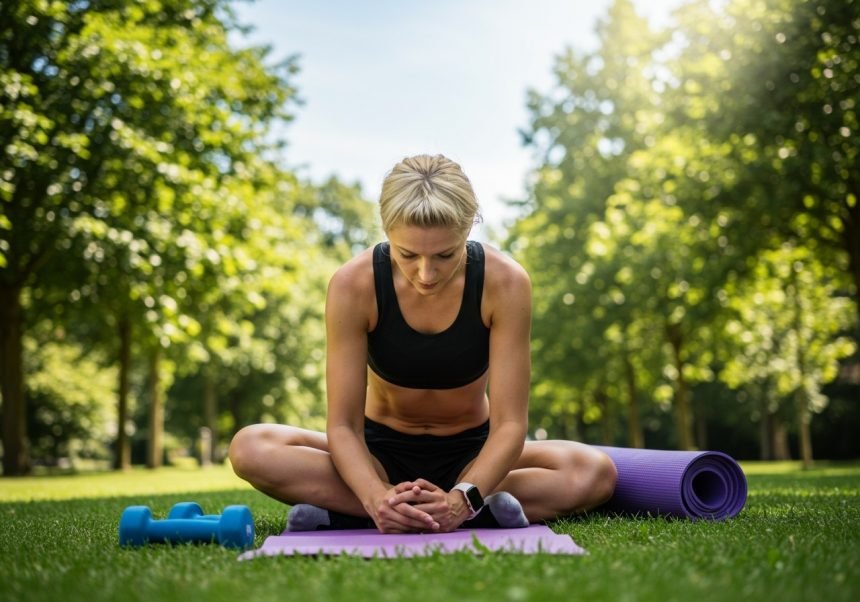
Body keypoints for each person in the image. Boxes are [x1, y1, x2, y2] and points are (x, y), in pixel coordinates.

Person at [229, 154, 617, 534]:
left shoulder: (506, 284)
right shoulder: (353, 285)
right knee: (251, 447)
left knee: (594, 471)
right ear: (386, 232)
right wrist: (373, 492)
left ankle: (371, 512)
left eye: (445, 255)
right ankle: (405, 509)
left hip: (474, 457)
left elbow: (510, 424)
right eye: (407, 254)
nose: (426, 273)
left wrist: (462, 496)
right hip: (377, 455)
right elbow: (343, 426)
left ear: (468, 230)